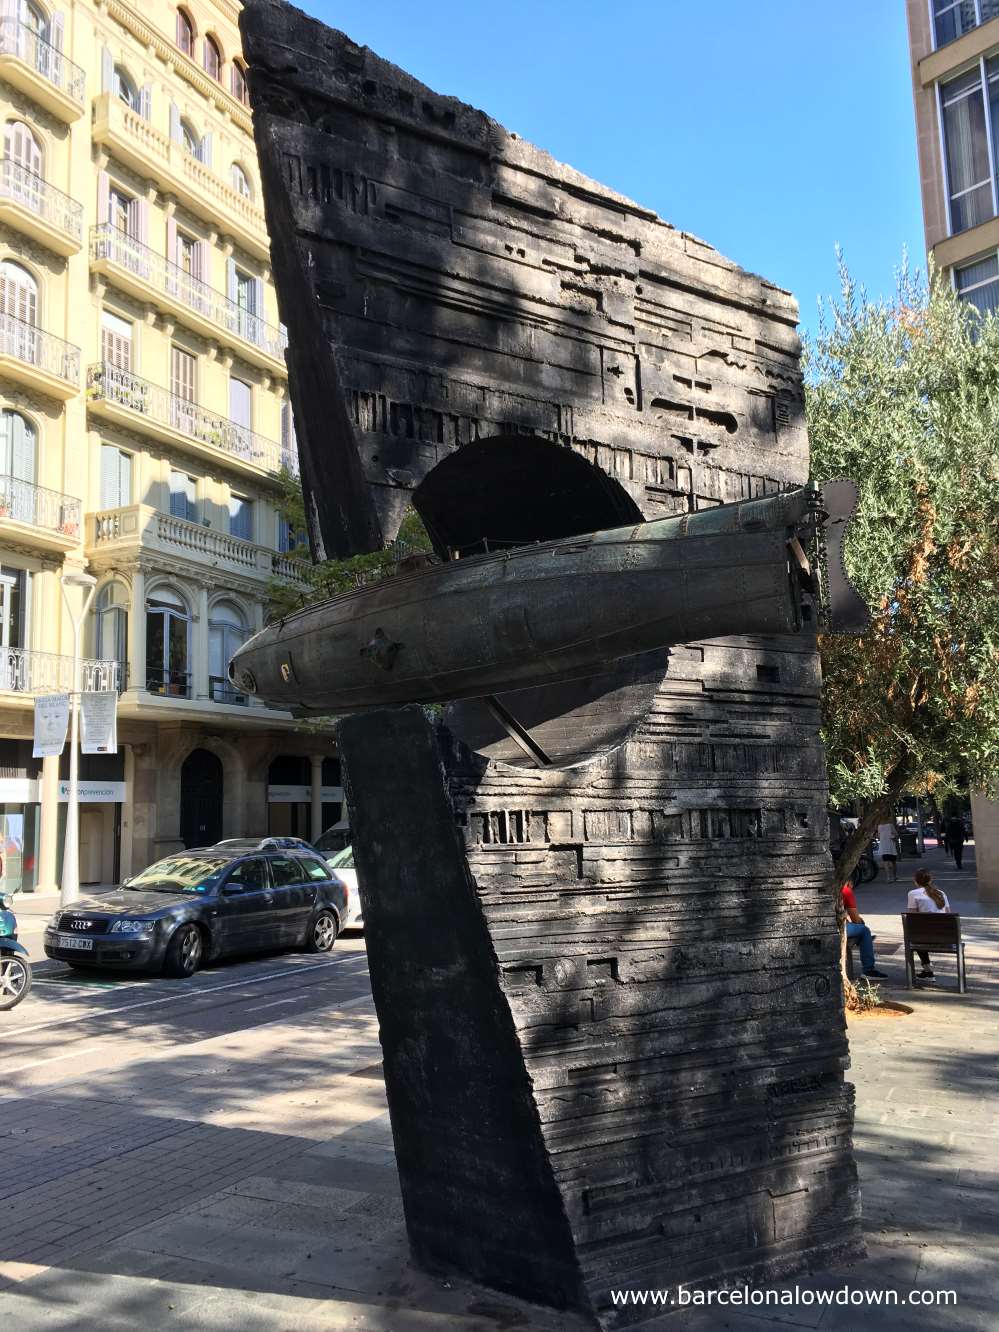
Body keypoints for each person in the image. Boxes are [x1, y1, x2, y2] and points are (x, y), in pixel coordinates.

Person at [906, 868, 951, 980]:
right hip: (945, 937)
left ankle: (928, 970)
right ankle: (928, 971)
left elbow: (912, 917)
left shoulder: (913, 894)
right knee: (922, 932)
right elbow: (948, 914)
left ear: (915, 881)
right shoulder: (941, 893)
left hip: (924, 937)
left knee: (917, 934)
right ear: (931, 880)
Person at [842, 879, 887, 978]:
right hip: (838, 928)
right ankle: (868, 969)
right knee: (864, 930)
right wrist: (860, 922)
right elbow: (855, 918)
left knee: (860, 930)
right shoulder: (845, 890)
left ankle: (865, 940)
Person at [877, 818, 899, 883]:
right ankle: (894, 877)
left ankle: (888, 878)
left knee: (886, 863)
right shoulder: (890, 825)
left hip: (883, 847)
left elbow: (878, 836)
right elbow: (896, 834)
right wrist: (892, 836)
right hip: (891, 847)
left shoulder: (879, 826)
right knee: (893, 863)